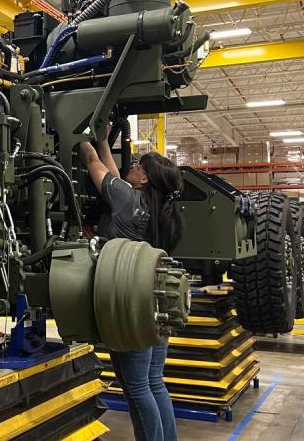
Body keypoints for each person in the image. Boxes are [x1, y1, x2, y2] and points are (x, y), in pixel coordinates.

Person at [78, 129, 184, 441]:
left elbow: (93, 164)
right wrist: (102, 138)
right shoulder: (157, 211)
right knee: (153, 381)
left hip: (129, 303)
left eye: (138, 165)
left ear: (144, 179)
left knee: (137, 387)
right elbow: (111, 172)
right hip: (156, 300)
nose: (133, 165)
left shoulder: (127, 199)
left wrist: (79, 135)